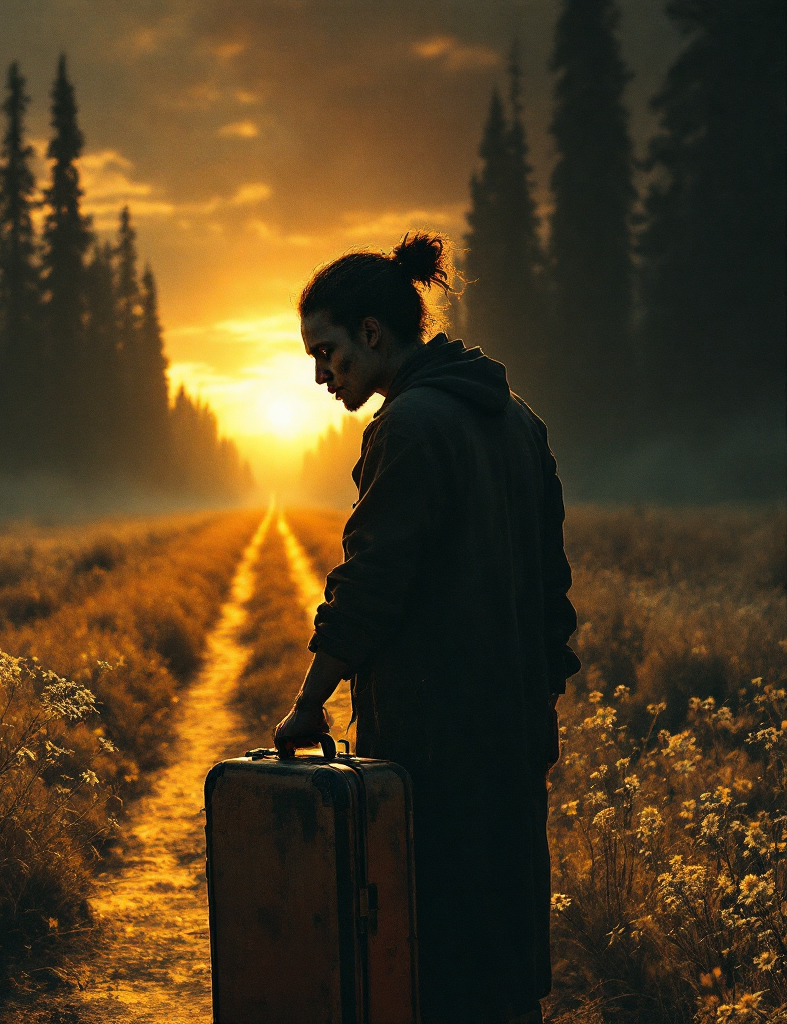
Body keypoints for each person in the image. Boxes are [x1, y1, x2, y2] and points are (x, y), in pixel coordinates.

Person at [273, 232, 580, 1024]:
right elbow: (553, 594)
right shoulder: (520, 421)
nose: (320, 375)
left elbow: (371, 582)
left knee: (429, 954)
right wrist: (534, 706)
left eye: (327, 351)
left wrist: (310, 703)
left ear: (372, 333)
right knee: (505, 951)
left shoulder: (408, 426)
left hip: (433, 743)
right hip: (511, 738)